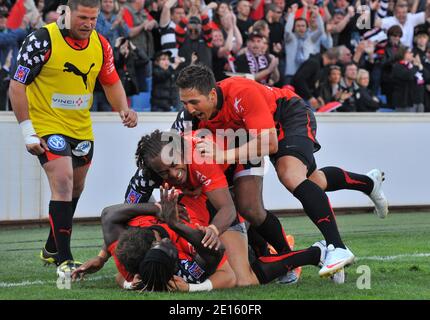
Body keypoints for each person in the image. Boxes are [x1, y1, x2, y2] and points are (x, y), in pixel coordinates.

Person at [174, 64, 389, 277]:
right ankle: (368, 184)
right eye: (184, 102)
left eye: (194, 102)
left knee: (289, 173)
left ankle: (336, 247)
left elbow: (269, 143)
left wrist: (222, 156)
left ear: (212, 95)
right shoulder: (188, 116)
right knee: (264, 201)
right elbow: (173, 152)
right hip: (249, 136)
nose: (189, 108)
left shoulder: (242, 92)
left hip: (286, 116)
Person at [8, 0, 138, 278]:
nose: (88, 24)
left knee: (76, 187)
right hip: (46, 123)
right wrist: (28, 130)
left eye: (93, 18)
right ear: (66, 13)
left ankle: (51, 247)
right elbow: (17, 86)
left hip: (80, 127)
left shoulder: (101, 44)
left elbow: (111, 81)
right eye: (83, 17)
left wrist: (123, 109)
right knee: (64, 179)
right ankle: (64, 260)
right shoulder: (41, 40)